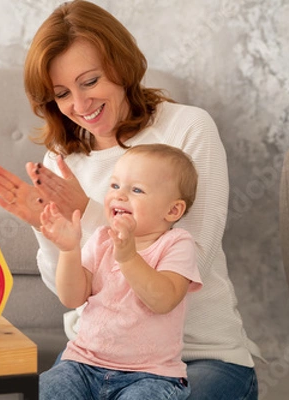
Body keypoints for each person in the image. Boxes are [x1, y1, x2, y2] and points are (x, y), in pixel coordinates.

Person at [0, 1, 261, 399]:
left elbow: (190, 262)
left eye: (91, 81)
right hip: (93, 361)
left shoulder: (187, 128)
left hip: (198, 356)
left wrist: (91, 211)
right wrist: (51, 231)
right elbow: (73, 292)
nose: (80, 106)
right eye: (62, 93)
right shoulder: (63, 160)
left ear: (120, 65)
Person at [39, 144, 202, 400]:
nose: (120, 195)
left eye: (136, 190)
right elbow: (72, 298)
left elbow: (164, 300)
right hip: (82, 364)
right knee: (47, 389)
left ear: (172, 210)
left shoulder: (176, 243)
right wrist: (69, 250)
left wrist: (128, 257)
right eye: (115, 186)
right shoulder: (102, 238)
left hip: (150, 375)